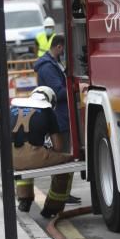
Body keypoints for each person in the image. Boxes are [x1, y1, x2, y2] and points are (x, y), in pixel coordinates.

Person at [32, 34, 81, 205]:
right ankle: (59, 195)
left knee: (64, 156)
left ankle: (62, 194)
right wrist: (74, 88)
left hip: (61, 117)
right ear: (59, 47)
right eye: (64, 50)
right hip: (59, 118)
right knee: (63, 157)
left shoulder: (53, 64)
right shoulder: (48, 67)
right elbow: (57, 92)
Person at [11, 86, 74, 217]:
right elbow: (58, 146)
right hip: (34, 156)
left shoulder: (14, 108)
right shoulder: (47, 111)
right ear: (50, 100)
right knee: (67, 164)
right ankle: (52, 207)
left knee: (24, 167)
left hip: (11, 158)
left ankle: (24, 200)